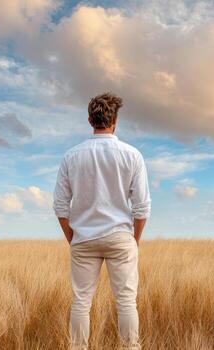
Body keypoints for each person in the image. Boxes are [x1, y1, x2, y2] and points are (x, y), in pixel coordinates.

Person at [53, 92, 151, 350]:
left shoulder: (71, 156)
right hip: (120, 238)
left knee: (81, 302)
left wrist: (72, 238)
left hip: (83, 238)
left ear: (89, 120)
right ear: (115, 120)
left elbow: (60, 206)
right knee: (127, 302)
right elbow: (142, 207)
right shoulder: (132, 155)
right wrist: (134, 240)